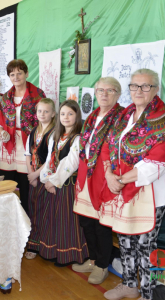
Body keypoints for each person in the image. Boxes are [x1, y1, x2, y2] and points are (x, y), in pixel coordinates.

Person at [101, 69, 165, 300]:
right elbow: (108, 145)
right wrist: (109, 175)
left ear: (156, 89)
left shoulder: (162, 119)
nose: (139, 91)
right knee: (125, 240)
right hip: (122, 189)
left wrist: (117, 179)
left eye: (145, 86)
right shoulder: (124, 115)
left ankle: (149, 294)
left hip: (151, 194)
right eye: (134, 86)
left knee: (146, 246)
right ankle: (129, 284)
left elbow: (155, 163)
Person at [73, 77, 124, 284]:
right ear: (95, 93)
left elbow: (121, 150)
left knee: (102, 223)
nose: (104, 94)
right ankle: (93, 260)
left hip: (105, 175)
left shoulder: (121, 117)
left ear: (118, 94)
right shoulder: (92, 115)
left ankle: (103, 265)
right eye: (100, 90)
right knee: (86, 220)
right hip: (86, 174)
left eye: (110, 90)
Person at [37, 100, 89, 266]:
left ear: (77, 116)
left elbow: (70, 164)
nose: (66, 117)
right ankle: (53, 250)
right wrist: (46, 179)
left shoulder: (78, 138)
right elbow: (49, 160)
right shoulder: (55, 135)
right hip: (53, 182)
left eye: (70, 114)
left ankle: (68, 255)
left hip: (67, 185)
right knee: (53, 218)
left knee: (66, 220)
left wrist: (53, 181)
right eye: (63, 114)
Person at [0, 59, 46, 214]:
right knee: (8, 185)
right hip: (9, 145)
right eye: (12, 74)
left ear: (26, 74)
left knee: (26, 187)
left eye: (19, 73)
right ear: (9, 77)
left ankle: (28, 225)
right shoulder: (5, 98)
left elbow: (45, 121)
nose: (16, 77)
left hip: (29, 145)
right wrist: (1, 132)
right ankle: (10, 222)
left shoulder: (38, 95)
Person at [25, 98, 56, 259]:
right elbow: (27, 154)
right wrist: (30, 174)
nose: (42, 114)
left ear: (53, 114)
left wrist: (36, 174)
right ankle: (33, 244)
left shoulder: (54, 133)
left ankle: (44, 245)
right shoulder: (33, 132)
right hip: (33, 178)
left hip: (46, 177)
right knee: (33, 210)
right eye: (39, 111)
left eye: (46, 111)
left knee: (45, 212)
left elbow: (51, 158)